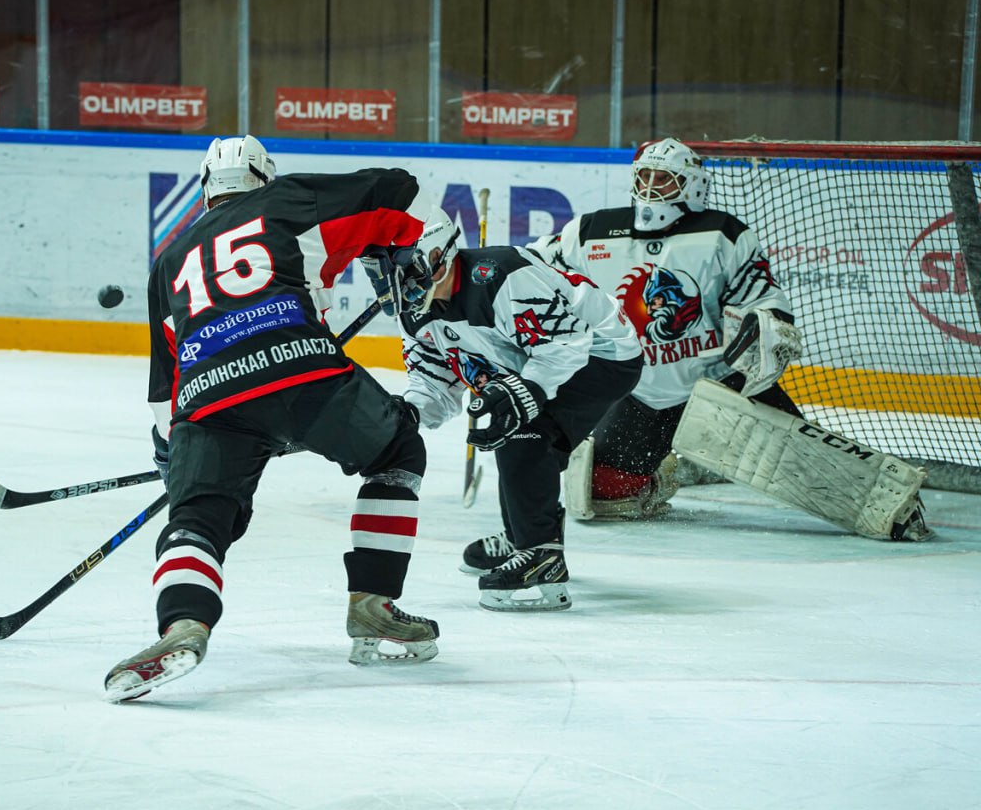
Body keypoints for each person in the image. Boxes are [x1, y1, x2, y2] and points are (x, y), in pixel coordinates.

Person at [104, 136, 443, 702]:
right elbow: (397, 188)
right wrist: (413, 256)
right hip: (301, 372)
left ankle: (182, 623)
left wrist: (174, 456)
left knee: (199, 515)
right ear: (264, 177)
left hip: (207, 402)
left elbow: (165, 393)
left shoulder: (167, 261)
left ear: (206, 188)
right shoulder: (291, 199)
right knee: (398, 452)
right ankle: (373, 606)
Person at [528, 137, 929, 540]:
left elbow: (762, 298)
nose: (651, 188)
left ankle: (896, 506)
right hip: (640, 391)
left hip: (720, 387)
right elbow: (535, 269)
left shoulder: (724, 233)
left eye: (664, 179)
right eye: (644, 176)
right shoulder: (590, 231)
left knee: (807, 467)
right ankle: (659, 475)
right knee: (601, 495)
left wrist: (768, 328)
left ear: (693, 186)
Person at [361, 207, 643, 612]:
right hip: (541, 361)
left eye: (403, 268)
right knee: (519, 425)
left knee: (525, 431)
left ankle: (541, 554)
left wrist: (522, 391)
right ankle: (524, 536)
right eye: (382, 270)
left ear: (438, 256)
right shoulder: (415, 313)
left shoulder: (502, 279)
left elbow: (567, 344)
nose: (393, 282)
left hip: (601, 353)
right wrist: (405, 416)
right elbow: (436, 384)